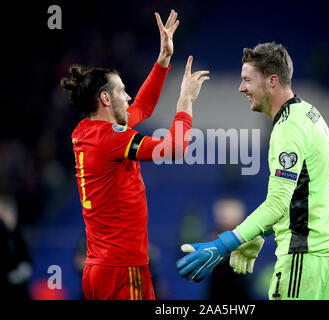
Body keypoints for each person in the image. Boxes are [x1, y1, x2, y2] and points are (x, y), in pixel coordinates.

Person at [177, 42, 329, 300]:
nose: (241, 88)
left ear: (272, 81)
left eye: (247, 80)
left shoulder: (288, 128)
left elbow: (277, 204)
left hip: (302, 260)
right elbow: (301, 195)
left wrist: (222, 245)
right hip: (327, 260)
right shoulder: (309, 114)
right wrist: (258, 233)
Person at [61, 9, 209, 300]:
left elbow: (141, 108)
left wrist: (163, 60)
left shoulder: (85, 130)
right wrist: (185, 102)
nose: (128, 97)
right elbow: (174, 148)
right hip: (122, 269)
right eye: (122, 91)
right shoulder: (111, 138)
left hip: (99, 268)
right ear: (105, 98)